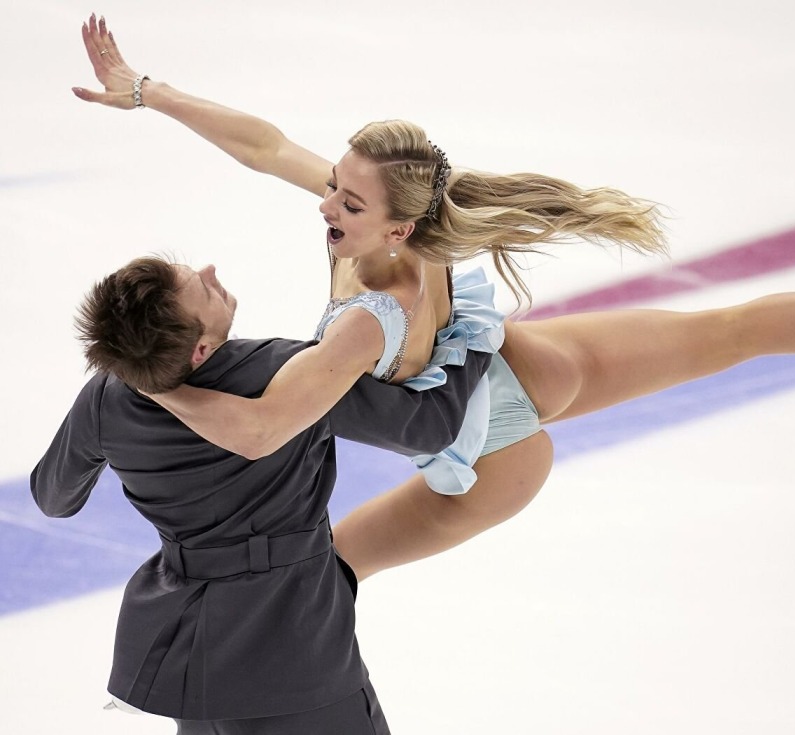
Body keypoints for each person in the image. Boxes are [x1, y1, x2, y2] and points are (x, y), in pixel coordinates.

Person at [73, 15, 795, 584]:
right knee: (730, 331)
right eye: (335, 187)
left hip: (492, 455)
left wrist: (148, 388)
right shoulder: (410, 229)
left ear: (393, 229)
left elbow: (267, 430)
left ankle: (222, 680)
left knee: (326, 573)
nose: (325, 204)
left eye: (347, 200)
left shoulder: (362, 316)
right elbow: (272, 148)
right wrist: (149, 92)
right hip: (518, 366)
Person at [31, 255, 491, 733]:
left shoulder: (108, 396)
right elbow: (427, 426)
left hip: (190, 659)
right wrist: (474, 334)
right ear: (201, 349)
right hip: (295, 645)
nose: (211, 271)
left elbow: (53, 498)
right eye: (202, 289)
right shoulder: (279, 374)